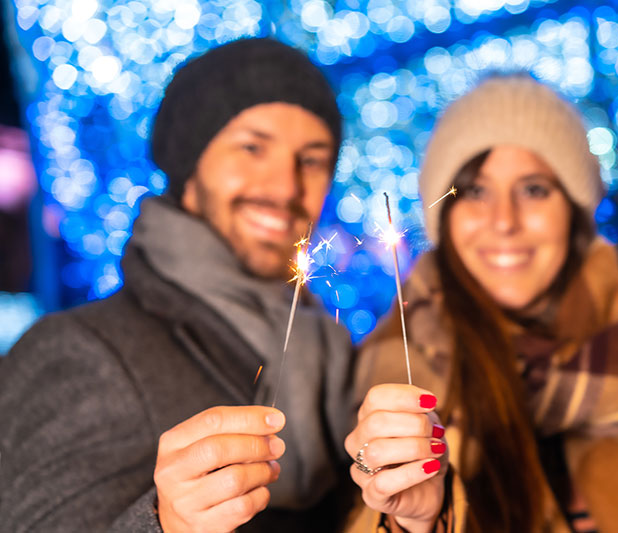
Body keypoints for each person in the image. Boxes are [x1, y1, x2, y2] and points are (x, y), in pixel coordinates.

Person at [345, 74, 618, 532]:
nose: (504, 221)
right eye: (475, 191)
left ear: (573, 210)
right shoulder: (396, 369)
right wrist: (420, 521)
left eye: (534, 189)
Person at [0, 38, 358, 532]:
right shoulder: (80, 351)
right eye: (252, 147)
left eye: (312, 159)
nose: (285, 187)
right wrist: (164, 525)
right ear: (189, 166)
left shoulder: (335, 355)